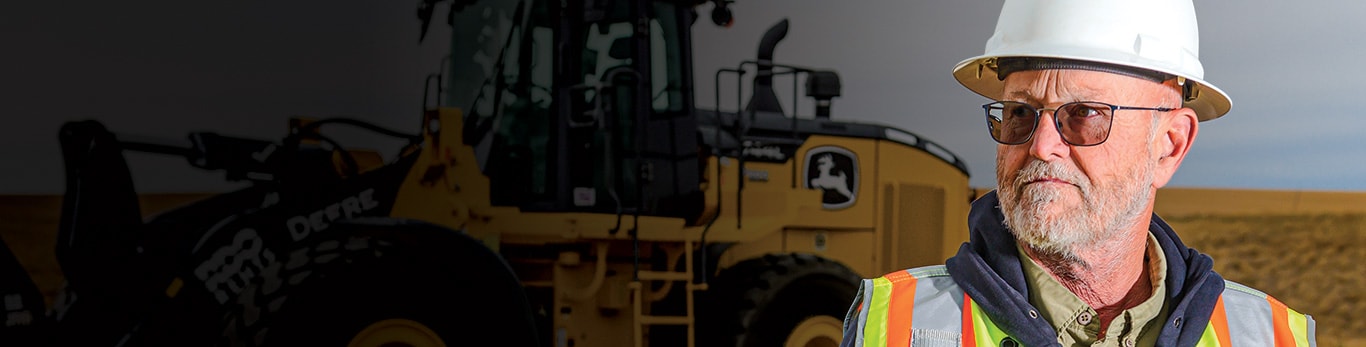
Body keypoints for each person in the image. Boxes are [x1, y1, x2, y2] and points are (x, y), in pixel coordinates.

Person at [840, 0, 1317, 346]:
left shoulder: (1268, 336)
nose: (1042, 146)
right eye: (1020, 114)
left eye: (1084, 114)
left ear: (1169, 146)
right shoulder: (896, 326)